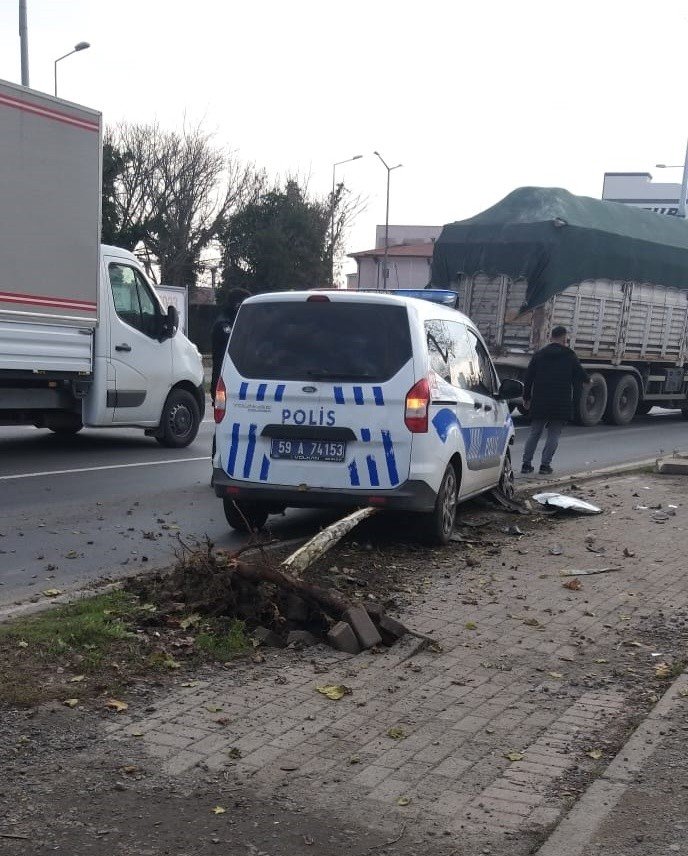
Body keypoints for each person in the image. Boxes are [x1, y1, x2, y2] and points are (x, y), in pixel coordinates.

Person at [521, 325, 590, 475]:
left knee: (534, 433)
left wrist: (526, 398)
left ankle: (526, 464)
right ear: (565, 338)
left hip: (540, 401)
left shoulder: (539, 355)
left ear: (551, 337)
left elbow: (528, 378)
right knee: (553, 434)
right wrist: (588, 382)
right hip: (561, 402)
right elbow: (581, 375)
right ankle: (545, 466)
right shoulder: (570, 355)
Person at [210, 288, 251, 403]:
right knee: (224, 416)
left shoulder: (234, 322)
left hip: (235, 381)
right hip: (224, 381)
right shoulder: (224, 325)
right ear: (237, 305)